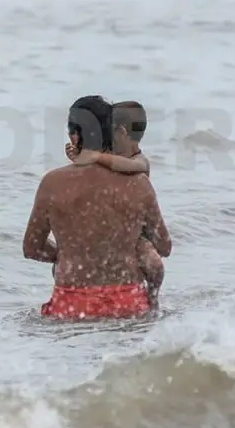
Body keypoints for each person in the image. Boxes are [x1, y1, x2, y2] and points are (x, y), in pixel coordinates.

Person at [22, 96, 171, 319]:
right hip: (127, 303)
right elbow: (164, 246)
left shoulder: (52, 183)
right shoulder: (138, 184)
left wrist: (68, 254)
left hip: (71, 305)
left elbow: (32, 248)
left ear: (74, 135)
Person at [65, 100, 170, 305]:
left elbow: (123, 165)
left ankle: (153, 296)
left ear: (121, 132)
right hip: (121, 223)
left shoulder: (139, 160)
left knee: (154, 264)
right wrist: (79, 157)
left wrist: (93, 156)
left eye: (109, 130)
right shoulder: (116, 156)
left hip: (138, 229)